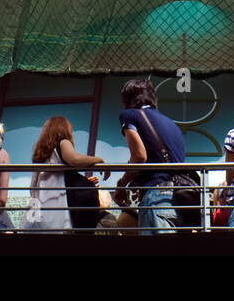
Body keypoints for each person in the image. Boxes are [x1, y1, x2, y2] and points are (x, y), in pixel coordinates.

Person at [115, 78, 187, 233]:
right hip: (179, 198)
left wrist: (122, 183)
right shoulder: (172, 124)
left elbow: (139, 156)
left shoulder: (129, 115)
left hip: (156, 196)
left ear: (127, 99)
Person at [23, 116, 106, 232]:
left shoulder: (42, 156)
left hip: (41, 214)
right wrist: (98, 160)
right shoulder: (63, 142)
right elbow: (74, 160)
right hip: (58, 215)